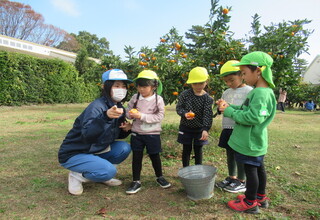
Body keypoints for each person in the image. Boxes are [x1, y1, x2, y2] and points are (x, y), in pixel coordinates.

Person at [217, 51, 277, 214]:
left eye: (244, 73)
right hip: (256, 139)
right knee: (259, 169)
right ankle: (260, 197)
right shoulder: (263, 91)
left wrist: (229, 112)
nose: (243, 77)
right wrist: (230, 107)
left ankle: (250, 202)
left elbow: (253, 117)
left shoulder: (260, 93)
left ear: (258, 71)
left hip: (250, 140)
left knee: (251, 170)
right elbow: (247, 109)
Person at [58, 69, 132, 196]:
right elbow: (88, 135)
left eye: (124, 86)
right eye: (117, 86)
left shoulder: (119, 108)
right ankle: (77, 176)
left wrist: (125, 130)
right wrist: (106, 117)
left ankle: (100, 173)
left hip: (95, 149)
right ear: (106, 87)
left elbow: (113, 134)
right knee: (109, 171)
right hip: (75, 152)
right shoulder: (97, 107)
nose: (121, 89)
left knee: (124, 148)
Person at [125, 70, 171, 194]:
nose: (141, 89)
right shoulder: (135, 98)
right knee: (137, 156)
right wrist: (129, 115)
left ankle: (159, 177)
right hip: (137, 133)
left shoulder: (158, 99)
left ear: (154, 86)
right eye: (139, 86)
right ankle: (136, 181)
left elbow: (159, 116)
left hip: (153, 134)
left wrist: (141, 116)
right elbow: (128, 111)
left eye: (145, 86)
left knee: (154, 155)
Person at [215, 60, 253, 193]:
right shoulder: (226, 92)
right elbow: (223, 108)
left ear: (242, 75)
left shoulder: (249, 91)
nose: (229, 84)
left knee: (240, 155)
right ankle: (232, 177)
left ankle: (242, 180)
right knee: (229, 153)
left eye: (231, 80)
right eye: (226, 81)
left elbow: (248, 111)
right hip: (227, 127)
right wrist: (220, 106)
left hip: (240, 128)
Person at [176, 67, 213, 167]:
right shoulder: (185, 94)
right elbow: (179, 108)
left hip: (200, 129)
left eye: (201, 83)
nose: (198, 86)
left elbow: (207, 114)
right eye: (195, 83)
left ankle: (198, 170)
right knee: (186, 149)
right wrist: (184, 114)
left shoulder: (208, 98)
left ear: (206, 82)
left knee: (198, 150)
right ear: (190, 83)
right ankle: (185, 170)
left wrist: (205, 129)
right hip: (186, 127)